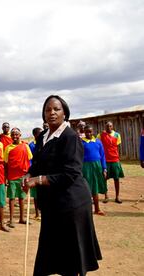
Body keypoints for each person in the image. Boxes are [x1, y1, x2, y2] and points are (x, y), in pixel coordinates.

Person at [23, 95, 102, 276]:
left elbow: (71, 173)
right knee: (54, 252)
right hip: (53, 204)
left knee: (71, 257)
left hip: (71, 204)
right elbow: (37, 164)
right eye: (48, 109)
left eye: (56, 109)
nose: (52, 113)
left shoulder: (70, 137)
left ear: (64, 113)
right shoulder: (43, 136)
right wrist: (29, 175)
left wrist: (39, 180)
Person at [5, 128, 32, 227]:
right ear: (11, 136)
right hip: (12, 177)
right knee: (12, 198)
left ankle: (22, 218)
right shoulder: (8, 148)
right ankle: (11, 220)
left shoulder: (25, 146)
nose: (15, 136)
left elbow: (30, 161)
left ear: (20, 135)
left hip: (23, 176)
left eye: (16, 134)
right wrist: (6, 178)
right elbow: (6, 164)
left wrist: (29, 175)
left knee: (22, 198)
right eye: (13, 134)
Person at [82, 125, 107, 216]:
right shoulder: (81, 143)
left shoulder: (98, 142)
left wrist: (104, 168)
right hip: (86, 167)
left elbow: (103, 155)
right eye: (86, 132)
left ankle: (97, 209)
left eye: (90, 131)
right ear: (84, 132)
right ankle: (87, 210)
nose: (88, 133)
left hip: (97, 166)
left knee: (95, 188)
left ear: (93, 131)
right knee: (87, 188)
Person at [97, 121, 124, 203]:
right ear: (105, 127)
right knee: (104, 178)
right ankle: (106, 196)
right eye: (107, 126)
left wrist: (118, 158)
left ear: (113, 127)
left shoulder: (117, 135)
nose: (108, 127)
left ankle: (117, 196)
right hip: (105, 160)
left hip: (115, 160)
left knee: (116, 178)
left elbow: (117, 147)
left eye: (110, 126)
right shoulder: (100, 135)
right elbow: (99, 146)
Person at [29, 128, 42, 220]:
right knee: (36, 194)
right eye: (39, 134)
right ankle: (37, 213)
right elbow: (30, 159)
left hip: (44, 171)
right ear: (35, 135)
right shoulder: (32, 145)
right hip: (35, 171)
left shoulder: (45, 143)